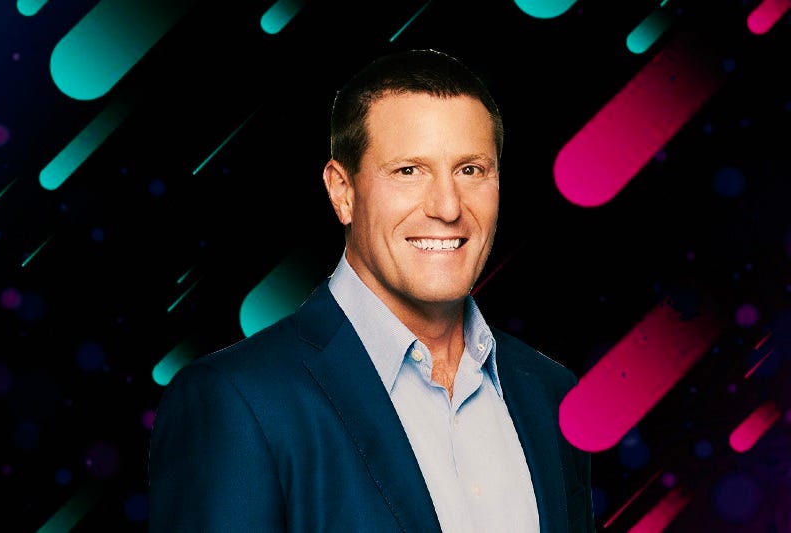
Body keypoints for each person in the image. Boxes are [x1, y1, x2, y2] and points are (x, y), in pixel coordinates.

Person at [148, 48, 595, 532]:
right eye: (409, 171)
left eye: (470, 170)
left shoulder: (550, 394)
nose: (448, 207)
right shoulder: (236, 401)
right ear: (342, 191)